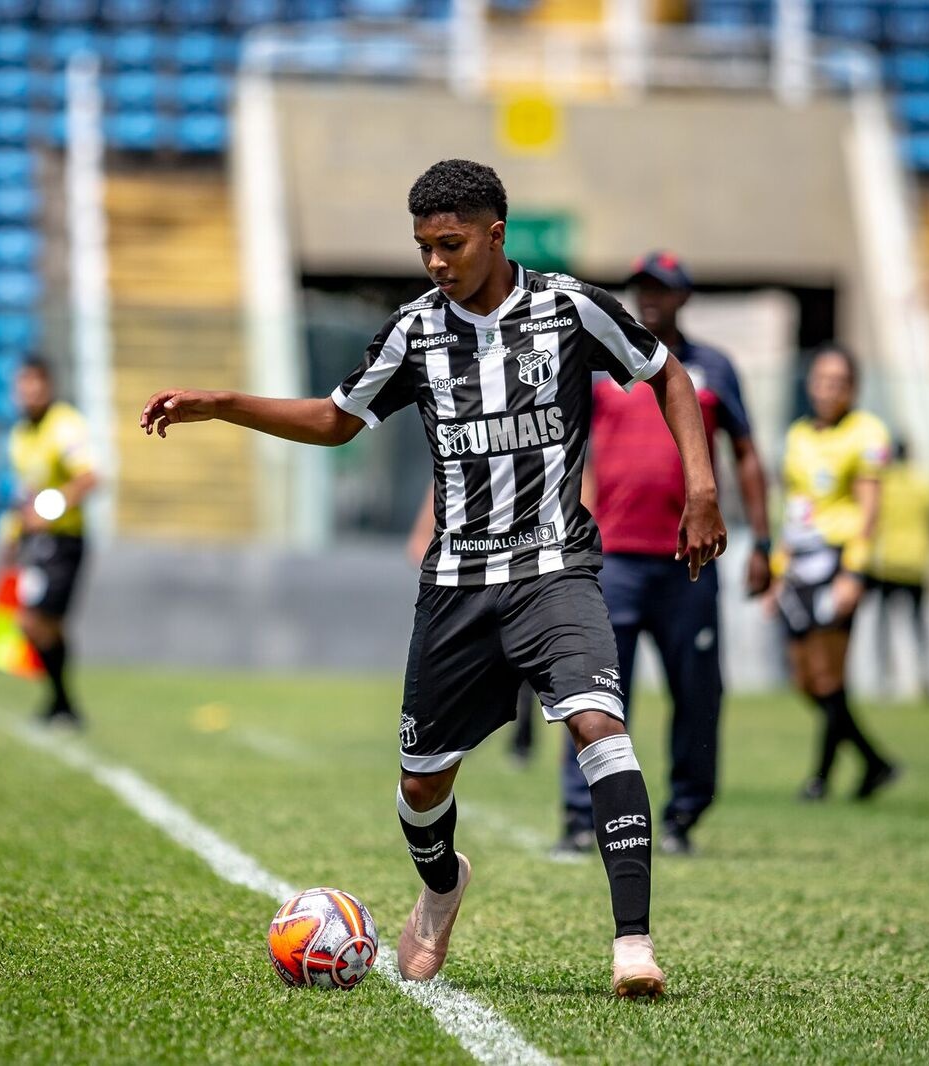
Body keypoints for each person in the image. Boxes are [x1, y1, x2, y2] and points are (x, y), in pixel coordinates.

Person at [141, 159, 726, 999]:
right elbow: (338, 421)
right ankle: (443, 887)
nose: (436, 263)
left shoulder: (569, 308)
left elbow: (664, 369)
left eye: (450, 244)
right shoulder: (413, 331)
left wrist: (700, 487)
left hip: (555, 566)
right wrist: (224, 402)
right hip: (455, 585)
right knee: (421, 785)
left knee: (600, 724)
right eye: (423, 247)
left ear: (495, 233)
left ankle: (631, 943)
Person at [555, 251, 771, 858]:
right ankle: (579, 817)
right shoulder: (603, 366)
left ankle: (682, 817)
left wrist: (764, 540)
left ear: (684, 297)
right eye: (643, 287)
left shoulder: (712, 368)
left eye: (663, 289)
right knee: (592, 694)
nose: (650, 297)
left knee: (697, 692)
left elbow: (748, 454)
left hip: (690, 562)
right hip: (613, 562)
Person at [770, 346, 898, 801]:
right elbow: (793, 509)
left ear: (853, 388)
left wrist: (854, 574)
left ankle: (820, 779)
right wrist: (776, 571)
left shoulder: (867, 433)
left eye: (839, 381)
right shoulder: (798, 434)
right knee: (804, 679)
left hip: (837, 561)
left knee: (828, 676)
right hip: (800, 565)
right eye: (822, 379)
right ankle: (874, 761)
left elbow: (869, 512)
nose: (829, 389)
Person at [406, 488, 539, 767]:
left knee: (525, 669)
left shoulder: (530, 478)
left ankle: (522, 741)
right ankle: (453, 738)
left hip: (522, 587)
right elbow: (417, 544)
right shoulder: (450, 478)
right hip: (462, 597)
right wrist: (450, 572)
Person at [1, 356, 99, 729]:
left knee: (40, 622)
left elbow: (90, 478)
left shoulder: (65, 426)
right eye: (23, 385)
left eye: (36, 384)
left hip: (65, 540)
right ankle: (62, 704)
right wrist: (12, 535)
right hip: (36, 543)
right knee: (37, 624)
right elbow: (24, 494)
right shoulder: (20, 435)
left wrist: (51, 509)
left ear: (49, 386)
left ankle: (63, 703)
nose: (29, 392)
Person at [866, 440, 929, 702]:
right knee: (919, 625)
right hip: (916, 563)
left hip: (887, 563)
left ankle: (884, 680)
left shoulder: (883, 484)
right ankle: (926, 675)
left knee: (883, 626)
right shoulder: (924, 483)